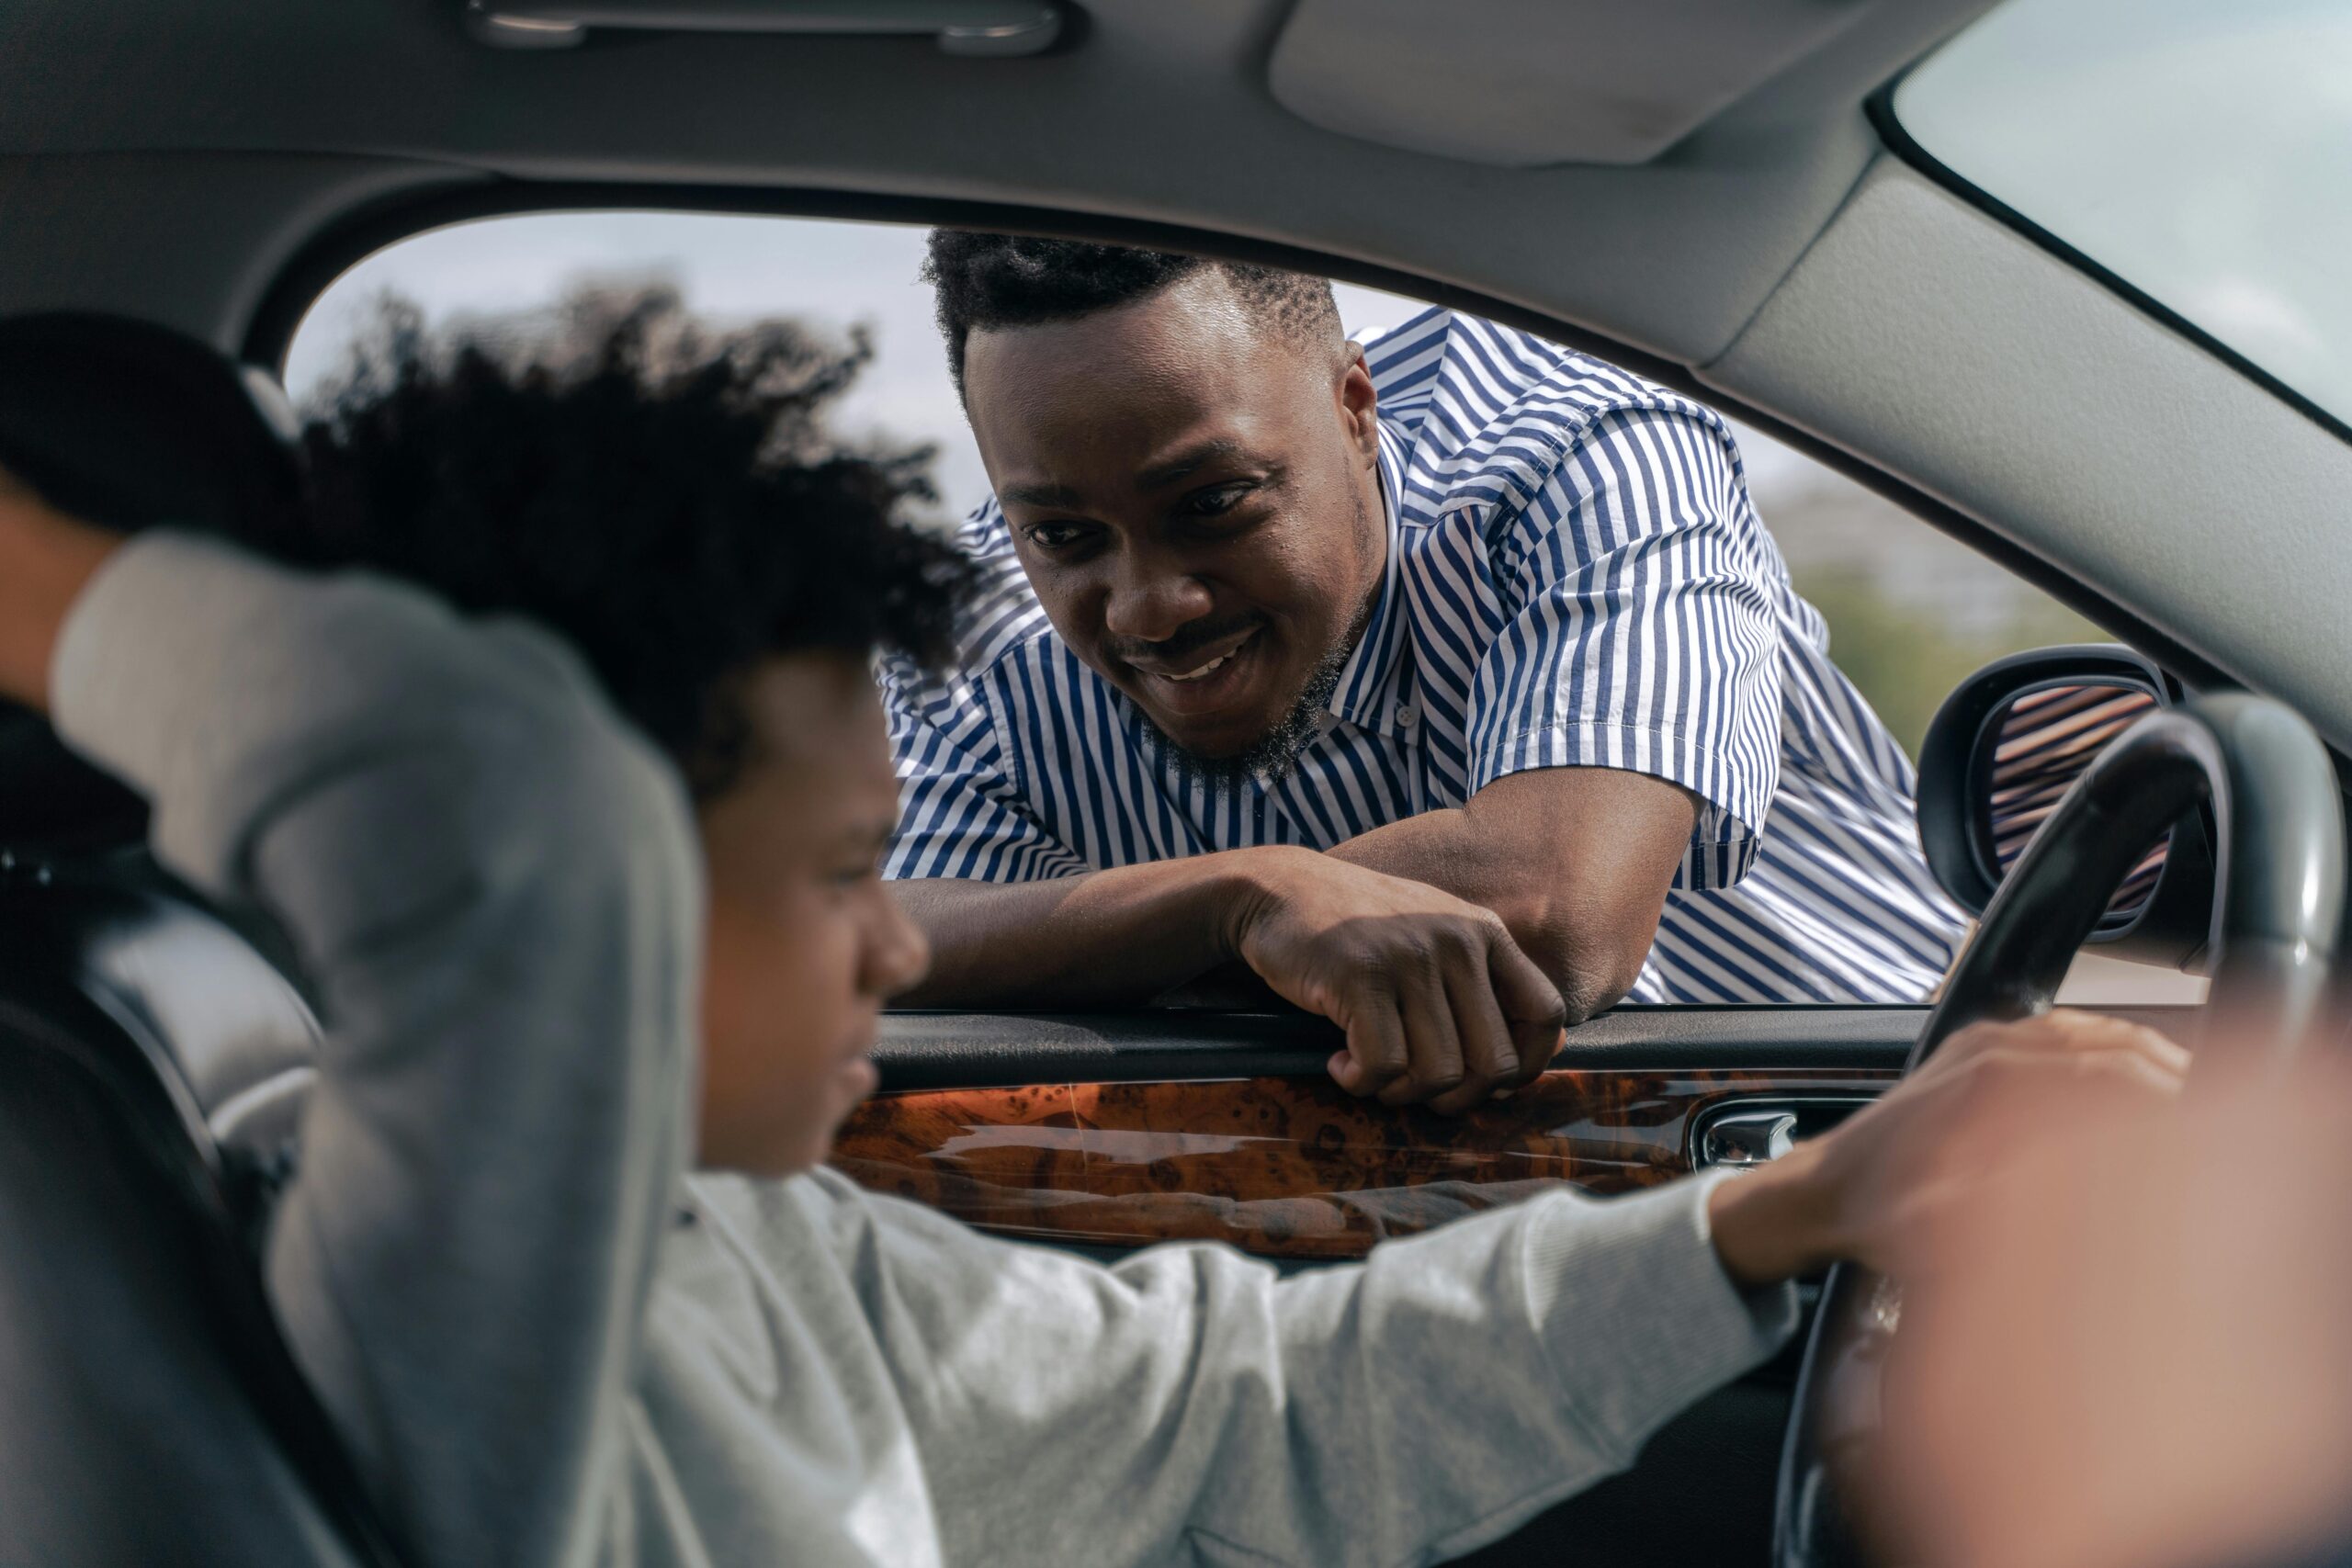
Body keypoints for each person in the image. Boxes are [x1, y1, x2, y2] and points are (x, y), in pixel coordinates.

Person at [0, 293, 2179, 1567]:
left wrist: (1778, 1207)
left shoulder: (752, 1234)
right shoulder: (453, 1284)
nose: (899, 945)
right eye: (828, 875)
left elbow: (1238, 1400)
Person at [882, 235, 1968, 1112]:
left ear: (1358, 407)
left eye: (1211, 505)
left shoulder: (1583, 443)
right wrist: (1242, 900)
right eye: (1064, 538)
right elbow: (868, 948)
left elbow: (1553, 909)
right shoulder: (970, 632)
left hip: (1871, 1143)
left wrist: (1100, 936)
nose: (1148, 606)